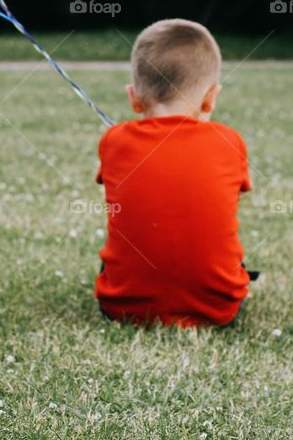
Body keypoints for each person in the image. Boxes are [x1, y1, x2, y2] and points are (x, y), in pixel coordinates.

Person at [95, 18, 255, 327]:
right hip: (218, 311)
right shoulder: (230, 141)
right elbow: (234, 194)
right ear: (211, 97)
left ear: (133, 98)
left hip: (122, 308)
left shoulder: (113, 141)